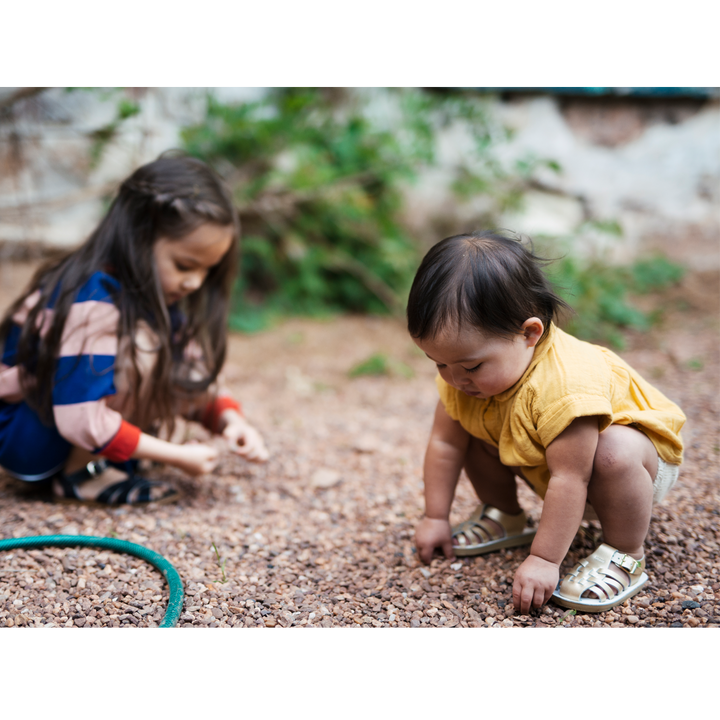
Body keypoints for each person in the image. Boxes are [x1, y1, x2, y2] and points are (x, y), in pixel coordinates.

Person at [407, 231, 685, 614]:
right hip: (553, 466)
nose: (454, 379)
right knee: (467, 428)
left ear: (529, 333)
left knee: (612, 450)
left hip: (631, 467)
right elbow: (445, 444)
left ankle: (626, 554)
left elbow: (571, 477)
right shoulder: (462, 380)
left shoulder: (566, 385)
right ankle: (504, 513)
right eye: (438, 363)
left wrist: (545, 559)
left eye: (471, 365)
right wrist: (434, 516)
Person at [0, 154, 268, 506]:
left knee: (160, 351)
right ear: (139, 237)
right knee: (143, 347)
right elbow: (79, 416)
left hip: (55, 426)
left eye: (207, 271)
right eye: (185, 265)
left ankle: (105, 457)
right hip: (27, 436)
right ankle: (82, 475)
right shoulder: (92, 297)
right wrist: (176, 455)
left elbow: (191, 372)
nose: (195, 282)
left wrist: (231, 421)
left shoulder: (153, 295)